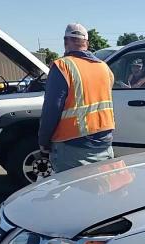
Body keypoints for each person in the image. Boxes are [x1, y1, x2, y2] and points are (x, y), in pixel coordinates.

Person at [38, 23, 115, 173]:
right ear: (87, 43)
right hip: (104, 142)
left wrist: (43, 141)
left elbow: (51, 109)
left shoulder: (62, 66)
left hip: (72, 146)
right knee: (102, 188)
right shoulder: (104, 67)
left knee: (75, 193)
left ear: (66, 41)